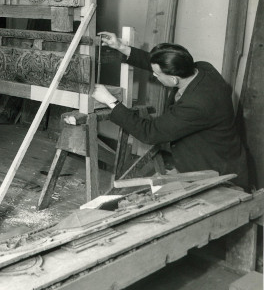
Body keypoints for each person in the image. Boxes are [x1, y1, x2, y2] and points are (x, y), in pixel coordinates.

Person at [91, 32, 249, 190]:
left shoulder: (197, 104)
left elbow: (150, 132)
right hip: (210, 154)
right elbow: (162, 64)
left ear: (174, 79)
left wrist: (110, 101)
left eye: (156, 75)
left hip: (216, 173)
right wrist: (122, 47)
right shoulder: (202, 68)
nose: (153, 75)